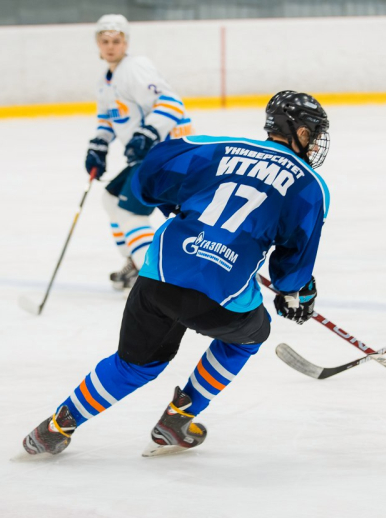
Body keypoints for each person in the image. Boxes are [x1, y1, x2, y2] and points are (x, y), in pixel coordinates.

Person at [22, 90, 331, 457]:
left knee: (134, 365)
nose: (314, 143)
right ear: (296, 131)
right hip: (220, 300)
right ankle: (179, 416)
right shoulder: (310, 186)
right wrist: (296, 291)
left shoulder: (217, 146)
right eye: (312, 132)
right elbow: (289, 273)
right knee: (252, 332)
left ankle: (55, 428)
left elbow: (151, 173)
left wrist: (178, 206)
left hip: (158, 278)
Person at [86, 14, 193, 291]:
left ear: (126, 42)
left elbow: (171, 103)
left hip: (167, 155)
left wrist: (147, 133)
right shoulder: (105, 80)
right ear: (98, 43)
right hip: (149, 156)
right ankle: (135, 263)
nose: (111, 46)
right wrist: (98, 146)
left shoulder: (135, 68)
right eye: (105, 41)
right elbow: (108, 121)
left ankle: (151, 281)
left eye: (116, 41)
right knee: (111, 199)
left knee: (131, 214)